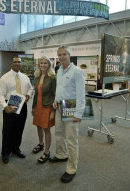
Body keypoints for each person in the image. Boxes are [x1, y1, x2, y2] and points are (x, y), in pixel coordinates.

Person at [49, 45, 85, 183]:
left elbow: (81, 94)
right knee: (59, 133)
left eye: (64, 54)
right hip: (59, 107)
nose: (62, 56)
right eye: (60, 54)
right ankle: (61, 155)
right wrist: (55, 101)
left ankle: (71, 168)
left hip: (71, 109)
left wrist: (78, 114)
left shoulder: (77, 71)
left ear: (69, 55)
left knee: (71, 139)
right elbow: (59, 89)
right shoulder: (59, 70)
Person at [0, 57, 34, 164]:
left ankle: (16, 148)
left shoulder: (25, 77)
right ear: (11, 63)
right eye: (15, 62)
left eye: (19, 62)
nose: (17, 63)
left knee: (19, 129)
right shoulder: (4, 78)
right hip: (10, 106)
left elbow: (31, 88)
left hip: (23, 106)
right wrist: (5, 106)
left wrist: (28, 95)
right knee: (8, 130)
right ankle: (5, 152)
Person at [31, 55, 56, 163]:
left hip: (47, 107)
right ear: (38, 64)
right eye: (41, 63)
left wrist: (53, 111)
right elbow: (36, 94)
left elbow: (55, 95)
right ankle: (41, 144)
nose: (43, 65)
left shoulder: (52, 78)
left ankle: (47, 152)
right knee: (38, 126)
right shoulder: (37, 77)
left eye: (45, 63)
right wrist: (33, 107)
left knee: (46, 129)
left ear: (49, 65)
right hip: (38, 106)